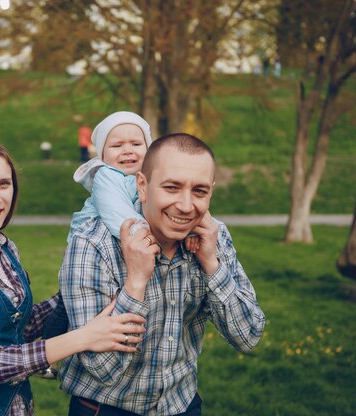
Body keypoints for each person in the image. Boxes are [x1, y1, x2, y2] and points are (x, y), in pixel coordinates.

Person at [0, 135, 147, 416]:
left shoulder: (6, 249)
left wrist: (77, 290)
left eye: (3, 184)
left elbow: (18, 330)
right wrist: (83, 337)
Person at [59, 133, 266, 415]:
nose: (185, 205)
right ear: (142, 186)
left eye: (199, 191)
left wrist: (211, 264)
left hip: (181, 404)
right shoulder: (93, 243)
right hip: (105, 408)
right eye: (172, 187)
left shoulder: (213, 237)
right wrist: (136, 283)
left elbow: (248, 335)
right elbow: (101, 368)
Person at [42, 111, 153, 340]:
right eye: (117, 145)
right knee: (67, 305)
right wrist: (147, 236)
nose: (128, 150)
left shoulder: (148, 177)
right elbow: (118, 215)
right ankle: (48, 348)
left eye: (136, 143)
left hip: (117, 250)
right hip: (85, 252)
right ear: (102, 154)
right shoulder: (107, 176)